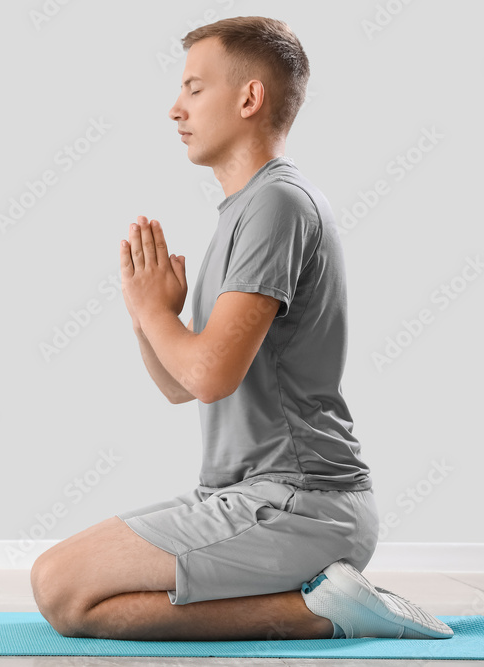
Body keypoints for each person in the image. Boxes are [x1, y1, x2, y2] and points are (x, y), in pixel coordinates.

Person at [29, 15, 453, 642]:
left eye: (194, 88)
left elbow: (208, 376)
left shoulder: (276, 204)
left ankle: (323, 613)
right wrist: (155, 315)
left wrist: (153, 313)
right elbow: (179, 385)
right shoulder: (247, 210)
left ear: (250, 98)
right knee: (67, 598)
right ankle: (326, 601)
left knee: (60, 584)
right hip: (250, 497)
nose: (175, 108)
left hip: (302, 502)